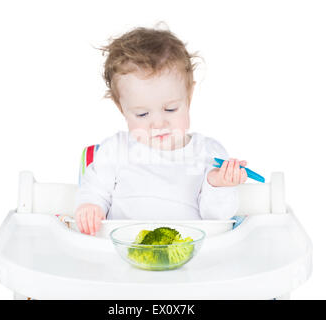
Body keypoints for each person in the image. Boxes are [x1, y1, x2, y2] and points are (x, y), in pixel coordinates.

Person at [74, 25, 247, 236]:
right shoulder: (115, 150)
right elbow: (94, 190)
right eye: (142, 114)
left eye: (170, 109)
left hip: (189, 256)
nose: (158, 124)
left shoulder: (208, 153)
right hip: (121, 252)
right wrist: (90, 207)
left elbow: (217, 219)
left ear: (189, 97)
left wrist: (218, 185)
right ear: (122, 109)